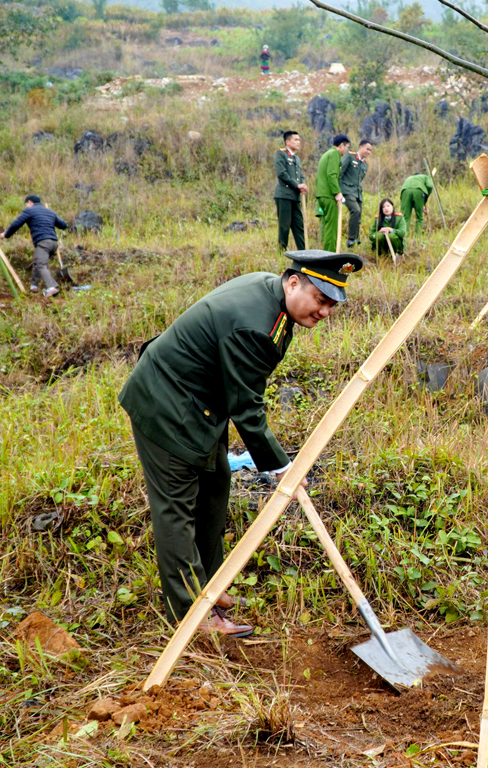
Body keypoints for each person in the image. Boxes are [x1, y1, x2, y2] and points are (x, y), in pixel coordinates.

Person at [118, 249, 364, 634]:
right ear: (295, 281)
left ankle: (211, 586)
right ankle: (191, 615)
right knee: (177, 509)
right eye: (321, 300)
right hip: (166, 403)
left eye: (333, 305)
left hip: (199, 404)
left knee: (214, 489)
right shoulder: (256, 324)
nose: (325, 312)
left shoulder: (271, 294)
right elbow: (246, 406)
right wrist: (284, 466)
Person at [1, 194, 69, 297]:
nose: (26, 206)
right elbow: (63, 225)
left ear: (29, 202)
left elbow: (16, 223)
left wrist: (6, 234)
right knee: (39, 262)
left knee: (41, 264)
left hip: (43, 242)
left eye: (26, 204)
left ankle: (51, 287)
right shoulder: (50, 212)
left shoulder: (29, 210)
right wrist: (51, 217)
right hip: (53, 244)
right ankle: (34, 286)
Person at [273, 130, 308, 250]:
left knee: (299, 225)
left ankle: (303, 252)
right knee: (284, 226)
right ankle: (281, 251)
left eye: (299, 140)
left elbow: (300, 175)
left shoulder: (296, 158)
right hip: (284, 195)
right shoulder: (281, 154)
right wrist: (296, 185)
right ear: (288, 142)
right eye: (296, 140)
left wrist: (302, 184)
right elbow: (282, 173)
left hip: (295, 196)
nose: (299, 142)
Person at [314, 134, 349, 252]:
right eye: (347, 147)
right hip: (329, 195)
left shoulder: (326, 154)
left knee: (326, 225)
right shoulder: (334, 154)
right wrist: (337, 192)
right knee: (332, 227)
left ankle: (326, 251)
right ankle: (330, 253)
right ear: (342, 145)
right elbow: (331, 174)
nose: (347, 150)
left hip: (321, 195)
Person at [339, 139, 371, 248]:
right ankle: (351, 239)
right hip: (347, 190)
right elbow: (340, 173)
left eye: (370, 150)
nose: (368, 152)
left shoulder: (365, 165)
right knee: (355, 210)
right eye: (367, 149)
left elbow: (359, 179)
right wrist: (338, 191)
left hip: (357, 193)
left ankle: (356, 239)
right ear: (360, 147)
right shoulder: (350, 156)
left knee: (359, 216)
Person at [398, 172, 434, 239]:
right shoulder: (425, 177)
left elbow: (411, 195)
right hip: (419, 192)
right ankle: (417, 238)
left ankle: (404, 237)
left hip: (405, 191)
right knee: (419, 217)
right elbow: (430, 186)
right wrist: (426, 195)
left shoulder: (409, 178)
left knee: (405, 217)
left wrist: (423, 206)